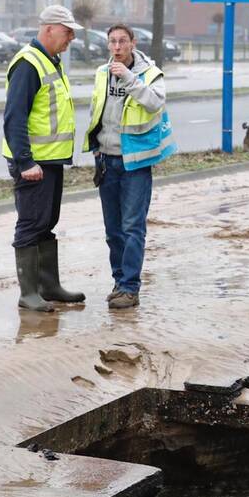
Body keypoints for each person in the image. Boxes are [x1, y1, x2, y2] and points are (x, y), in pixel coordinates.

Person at [84, 24, 175, 310]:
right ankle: (119, 282)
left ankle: (130, 288)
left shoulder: (150, 74)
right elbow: (96, 110)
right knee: (113, 230)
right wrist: (96, 146)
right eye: (112, 41)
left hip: (135, 162)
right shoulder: (102, 72)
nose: (117, 46)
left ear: (133, 43)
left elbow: (154, 103)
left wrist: (129, 78)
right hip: (106, 160)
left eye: (122, 41)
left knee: (132, 227)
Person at [2, 5, 86, 313]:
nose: (71, 38)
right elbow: (15, 117)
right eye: (67, 32)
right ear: (49, 29)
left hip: (51, 160)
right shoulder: (28, 64)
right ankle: (29, 294)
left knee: (47, 221)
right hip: (33, 163)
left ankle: (49, 286)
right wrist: (25, 162)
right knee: (31, 223)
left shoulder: (51, 60)